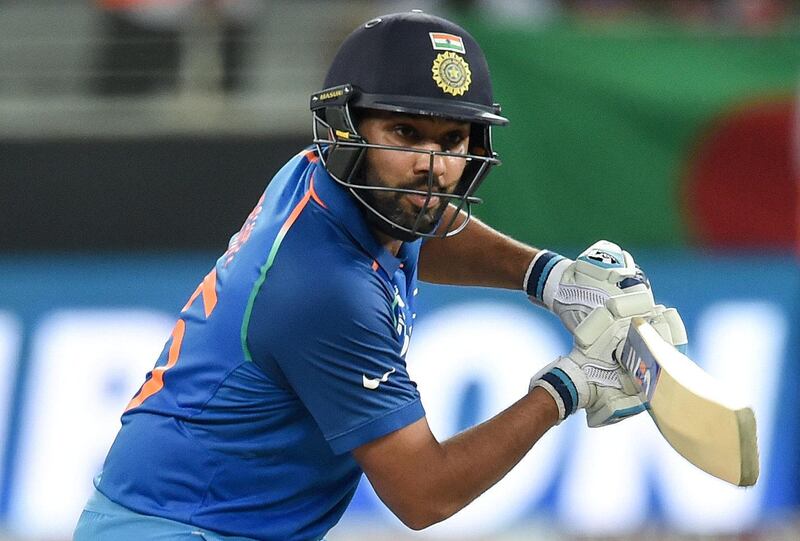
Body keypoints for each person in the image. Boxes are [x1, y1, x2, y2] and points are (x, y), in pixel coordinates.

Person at [73, 10, 686, 541]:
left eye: (452, 139)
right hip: (184, 527)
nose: (433, 167)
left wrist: (547, 277)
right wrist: (569, 385)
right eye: (405, 132)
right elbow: (424, 494)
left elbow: (415, 224)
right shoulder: (325, 290)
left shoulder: (322, 176)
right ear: (348, 128)